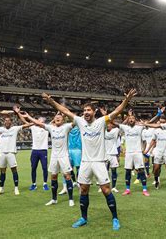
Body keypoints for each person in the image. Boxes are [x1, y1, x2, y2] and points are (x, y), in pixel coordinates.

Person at [42, 89, 137, 231]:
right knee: (83, 190)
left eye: (88, 110)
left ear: (94, 111)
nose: (86, 112)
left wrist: (126, 100)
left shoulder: (102, 121)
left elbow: (117, 111)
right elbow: (65, 110)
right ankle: (83, 218)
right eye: (84, 110)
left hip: (99, 161)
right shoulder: (79, 121)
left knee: (106, 190)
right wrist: (51, 101)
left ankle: (115, 218)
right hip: (85, 162)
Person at [20, 112, 75, 207]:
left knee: (67, 176)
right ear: (54, 119)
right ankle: (54, 199)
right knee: (53, 177)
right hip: (54, 157)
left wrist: (67, 114)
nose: (57, 118)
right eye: (56, 117)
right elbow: (38, 123)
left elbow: (76, 121)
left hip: (64, 156)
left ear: (63, 120)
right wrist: (28, 116)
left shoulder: (66, 127)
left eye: (59, 117)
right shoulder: (51, 128)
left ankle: (71, 199)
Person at [14, 107, 50, 191]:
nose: (40, 120)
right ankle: (34, 184)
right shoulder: (33, 127)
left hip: (43, 150)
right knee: (33, 168)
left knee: (44, 168)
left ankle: (45, 183)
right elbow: (24, 121)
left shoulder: (46, 127)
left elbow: (55, 120)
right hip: (34, 151)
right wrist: (18, 113)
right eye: (40, 119)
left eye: (42, 120)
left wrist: (59, 112)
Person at [144, 115, 166, 191]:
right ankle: (156, 181)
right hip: (158, 151)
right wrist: (147, 150)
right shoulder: (156, 131)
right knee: (156, 168)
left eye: (164, 122)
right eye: (161, 122)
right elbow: (153, 141)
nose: (162, 124)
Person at [59, 125, 82, 195]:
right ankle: (65, 188)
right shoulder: (66, 127)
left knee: (79, 168)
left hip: (78, 149)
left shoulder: (80, 126)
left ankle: (79, 183)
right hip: (68, 150)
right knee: (67, 169)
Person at [104, 121, 121, 193]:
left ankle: (113, 187)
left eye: (109, 124)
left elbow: (121, 125)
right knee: (104, 171)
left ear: (112, 125)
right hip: (104, 154)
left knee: (114, 170)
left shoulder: (115, 131)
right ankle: (103, 186)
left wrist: (128, 116)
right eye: (107, 125)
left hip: (113, 154)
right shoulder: (103, 131)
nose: (108, 126)